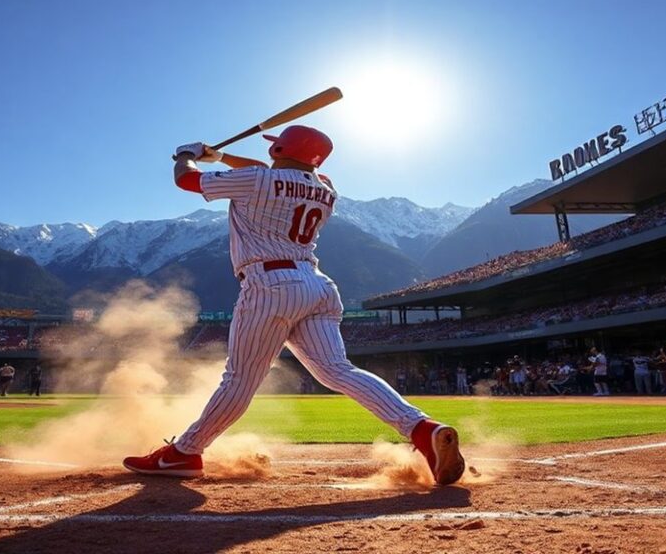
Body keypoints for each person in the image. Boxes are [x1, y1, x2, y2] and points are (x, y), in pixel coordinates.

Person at [123, 126, 465, 485]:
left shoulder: (257, 180)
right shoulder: (325, 188)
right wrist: (219, 155)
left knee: (239, 380)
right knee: (339, 371)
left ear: (280, 149)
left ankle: (185, 452)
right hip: (316, 286)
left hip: (269, 285)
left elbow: (187, 181)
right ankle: (421, 428)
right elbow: (269, 170)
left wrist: (185, 155)